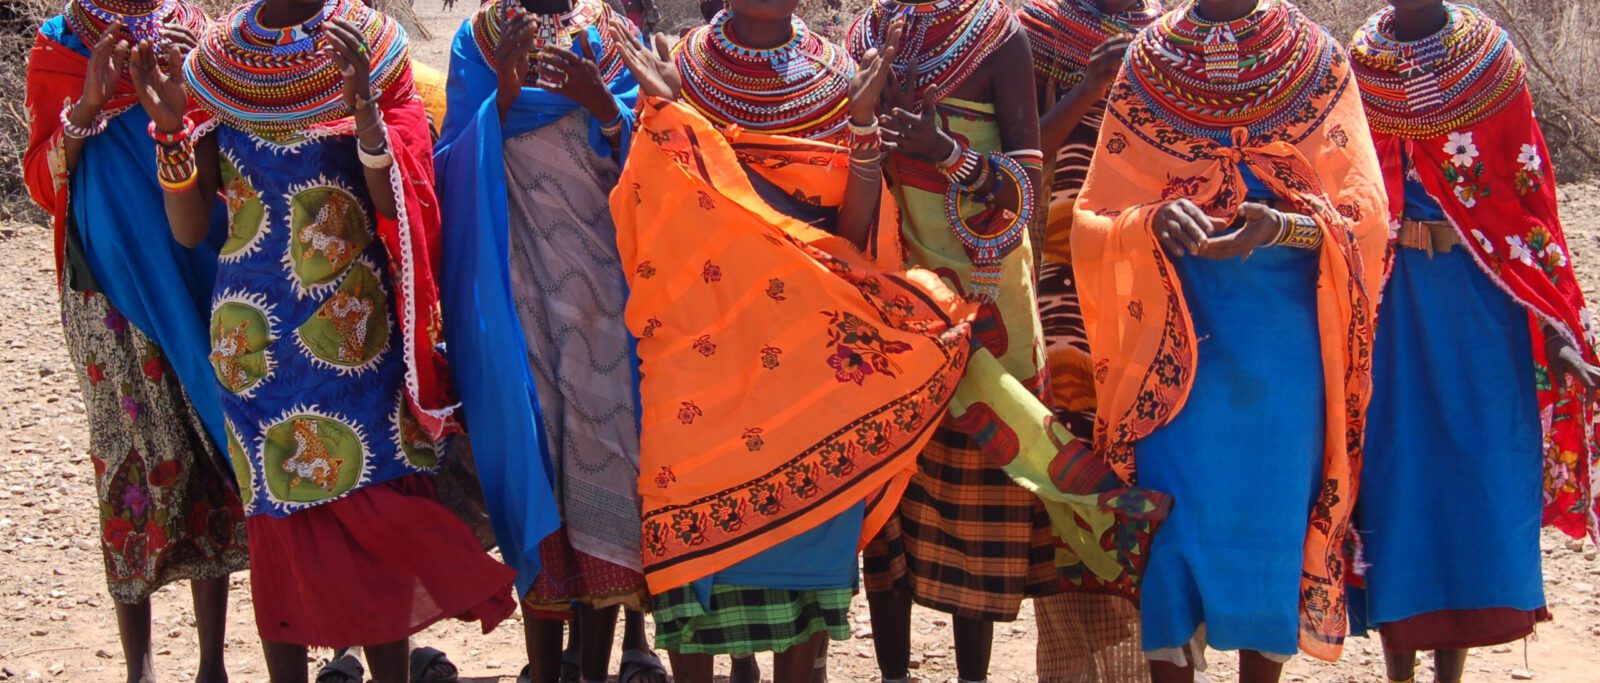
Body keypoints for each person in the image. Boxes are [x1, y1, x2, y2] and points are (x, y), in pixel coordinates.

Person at [125, 0, 521, 680]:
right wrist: (169, 134)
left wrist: (367, 117)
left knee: (377, 507)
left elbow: (400, 196)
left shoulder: (372, 44)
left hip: (354, 333)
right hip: (252, 344)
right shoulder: (218, 61)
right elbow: (191, 230)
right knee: (277, 522)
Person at [605, 5, 975, 682]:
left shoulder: (836, 76)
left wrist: (862, 125)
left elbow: (853, 231)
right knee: (694, 574)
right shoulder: (681, 64)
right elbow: (647, 212)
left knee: (805, 604)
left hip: (808, 362)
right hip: (699, 353)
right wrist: (664, 115)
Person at [846, 4, 1169, 683]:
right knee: (889, 510)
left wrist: (942, 151)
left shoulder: (999, 38)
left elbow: (1024, 188)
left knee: (980, 496)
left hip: (985, 305)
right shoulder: (870, 35)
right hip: (891, 297)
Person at [1070, 0, 1389, 680]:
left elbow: (1363, 219)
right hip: (1175, 352)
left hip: (1282, 358)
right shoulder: (1148, 61)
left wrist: (1280, 228)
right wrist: (1152, 220)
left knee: (1269, 533)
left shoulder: (1316, 61)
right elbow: (1094, 217)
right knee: (1173, 539)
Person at [1346, 3, 1600, 682]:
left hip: (1480, 303)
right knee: (1395, 477)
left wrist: (1558, 326)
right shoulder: (1360, 68)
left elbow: (1530, 197)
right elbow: (1340, 186)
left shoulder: (1489, 60)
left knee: (1470, 471)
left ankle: (1448, 674)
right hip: (1391, 305)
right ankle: (1399, 667)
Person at [432, 0, 666, 682]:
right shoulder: (479, 41)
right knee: (530, 462)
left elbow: (650, 154)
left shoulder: (613, 35)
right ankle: (542, 666)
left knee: (605, 463)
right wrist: (500, 102)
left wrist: (601, 106)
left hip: (602, 294)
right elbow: (449, 160)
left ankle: (593, 667)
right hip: (515, 294)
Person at [22, 3, 248, 682]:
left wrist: (188, 84)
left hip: (192, 273)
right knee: (127, 462)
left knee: (206, 451)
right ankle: (140, 667)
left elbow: (232, 153)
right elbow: (41, 178)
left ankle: (213, 661)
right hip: (105, 289)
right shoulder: (57, 48)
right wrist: (87, 105)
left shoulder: (194, 33)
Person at [1019, 1, 1163, 680]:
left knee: (1148, 456)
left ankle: (1152, 656)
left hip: (1153, 288)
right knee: (1074, 469)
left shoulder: (1175, 40)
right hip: (1061, 283)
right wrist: (1086, 90)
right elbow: (1018, 158)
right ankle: (1076, 668)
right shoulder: (1036, 32)